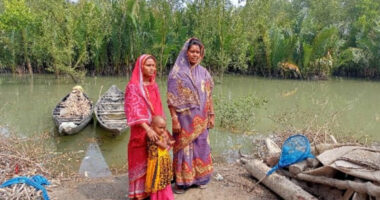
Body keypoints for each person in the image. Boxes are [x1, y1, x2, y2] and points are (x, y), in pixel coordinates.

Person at [167, 38, 215, 193]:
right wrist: (174, 119)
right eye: (192, 51)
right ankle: (182, 182)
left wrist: (211, 114)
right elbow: (171, 100)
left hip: (202, 118)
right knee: (183, 149)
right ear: (186, 52)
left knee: (202, 146)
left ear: (201, 54)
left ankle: (201, 178)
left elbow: (209, 95)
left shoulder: (204, 73)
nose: (195, 55)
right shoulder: (177, 74)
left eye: (198, 52)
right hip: (183, 119)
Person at [124, 54, 164, 200]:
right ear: (141, 67)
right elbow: (132, 110)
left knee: (153, 158)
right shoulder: (133, 87)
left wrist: (161, 128)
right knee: (138, 158)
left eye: (154, 65)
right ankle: (138, 194)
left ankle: (151, 191)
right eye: (148, 65)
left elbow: (159, 108)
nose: (152, 68)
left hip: (154, 129)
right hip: (140, 130)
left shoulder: (154, 85)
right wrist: (148, 129)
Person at [145, 116, 175, 200]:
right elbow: (164, 146)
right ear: (152, 126)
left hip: (162, 162)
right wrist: (165, 138)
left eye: (164, 128)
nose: (162, 130)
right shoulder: (153, 136)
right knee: (158, 181)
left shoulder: (159, 134)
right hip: (156, 164)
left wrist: (165, 137)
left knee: (163, 180)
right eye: (160, 127)